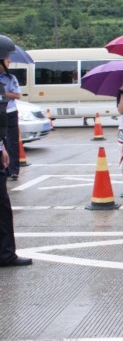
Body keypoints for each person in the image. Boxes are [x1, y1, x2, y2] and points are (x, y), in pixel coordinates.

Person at [0, 35, 31, 267]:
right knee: (2, 208)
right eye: (8, 57)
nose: (10, 60)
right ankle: (6, 254)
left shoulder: (5, 83)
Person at [0, 43, 21, 181]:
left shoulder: (11, 78)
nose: (10, 61)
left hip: (10, 112)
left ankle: (13, 170)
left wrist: (3, 93)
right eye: (8, 59)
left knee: (12, 142)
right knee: (4, 142)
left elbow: (17, 95)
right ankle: (4, 169)